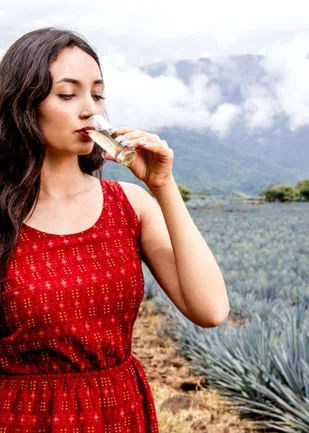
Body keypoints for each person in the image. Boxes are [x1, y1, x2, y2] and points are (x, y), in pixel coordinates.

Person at [0, 27, 230, 432]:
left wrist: (162, 186)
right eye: (68, 94)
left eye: (98, 93)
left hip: (119, 412)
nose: (90, 109)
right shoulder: (4, 215)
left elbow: (210, 310)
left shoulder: (130, 205)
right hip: (21, 417)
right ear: (23, 104)